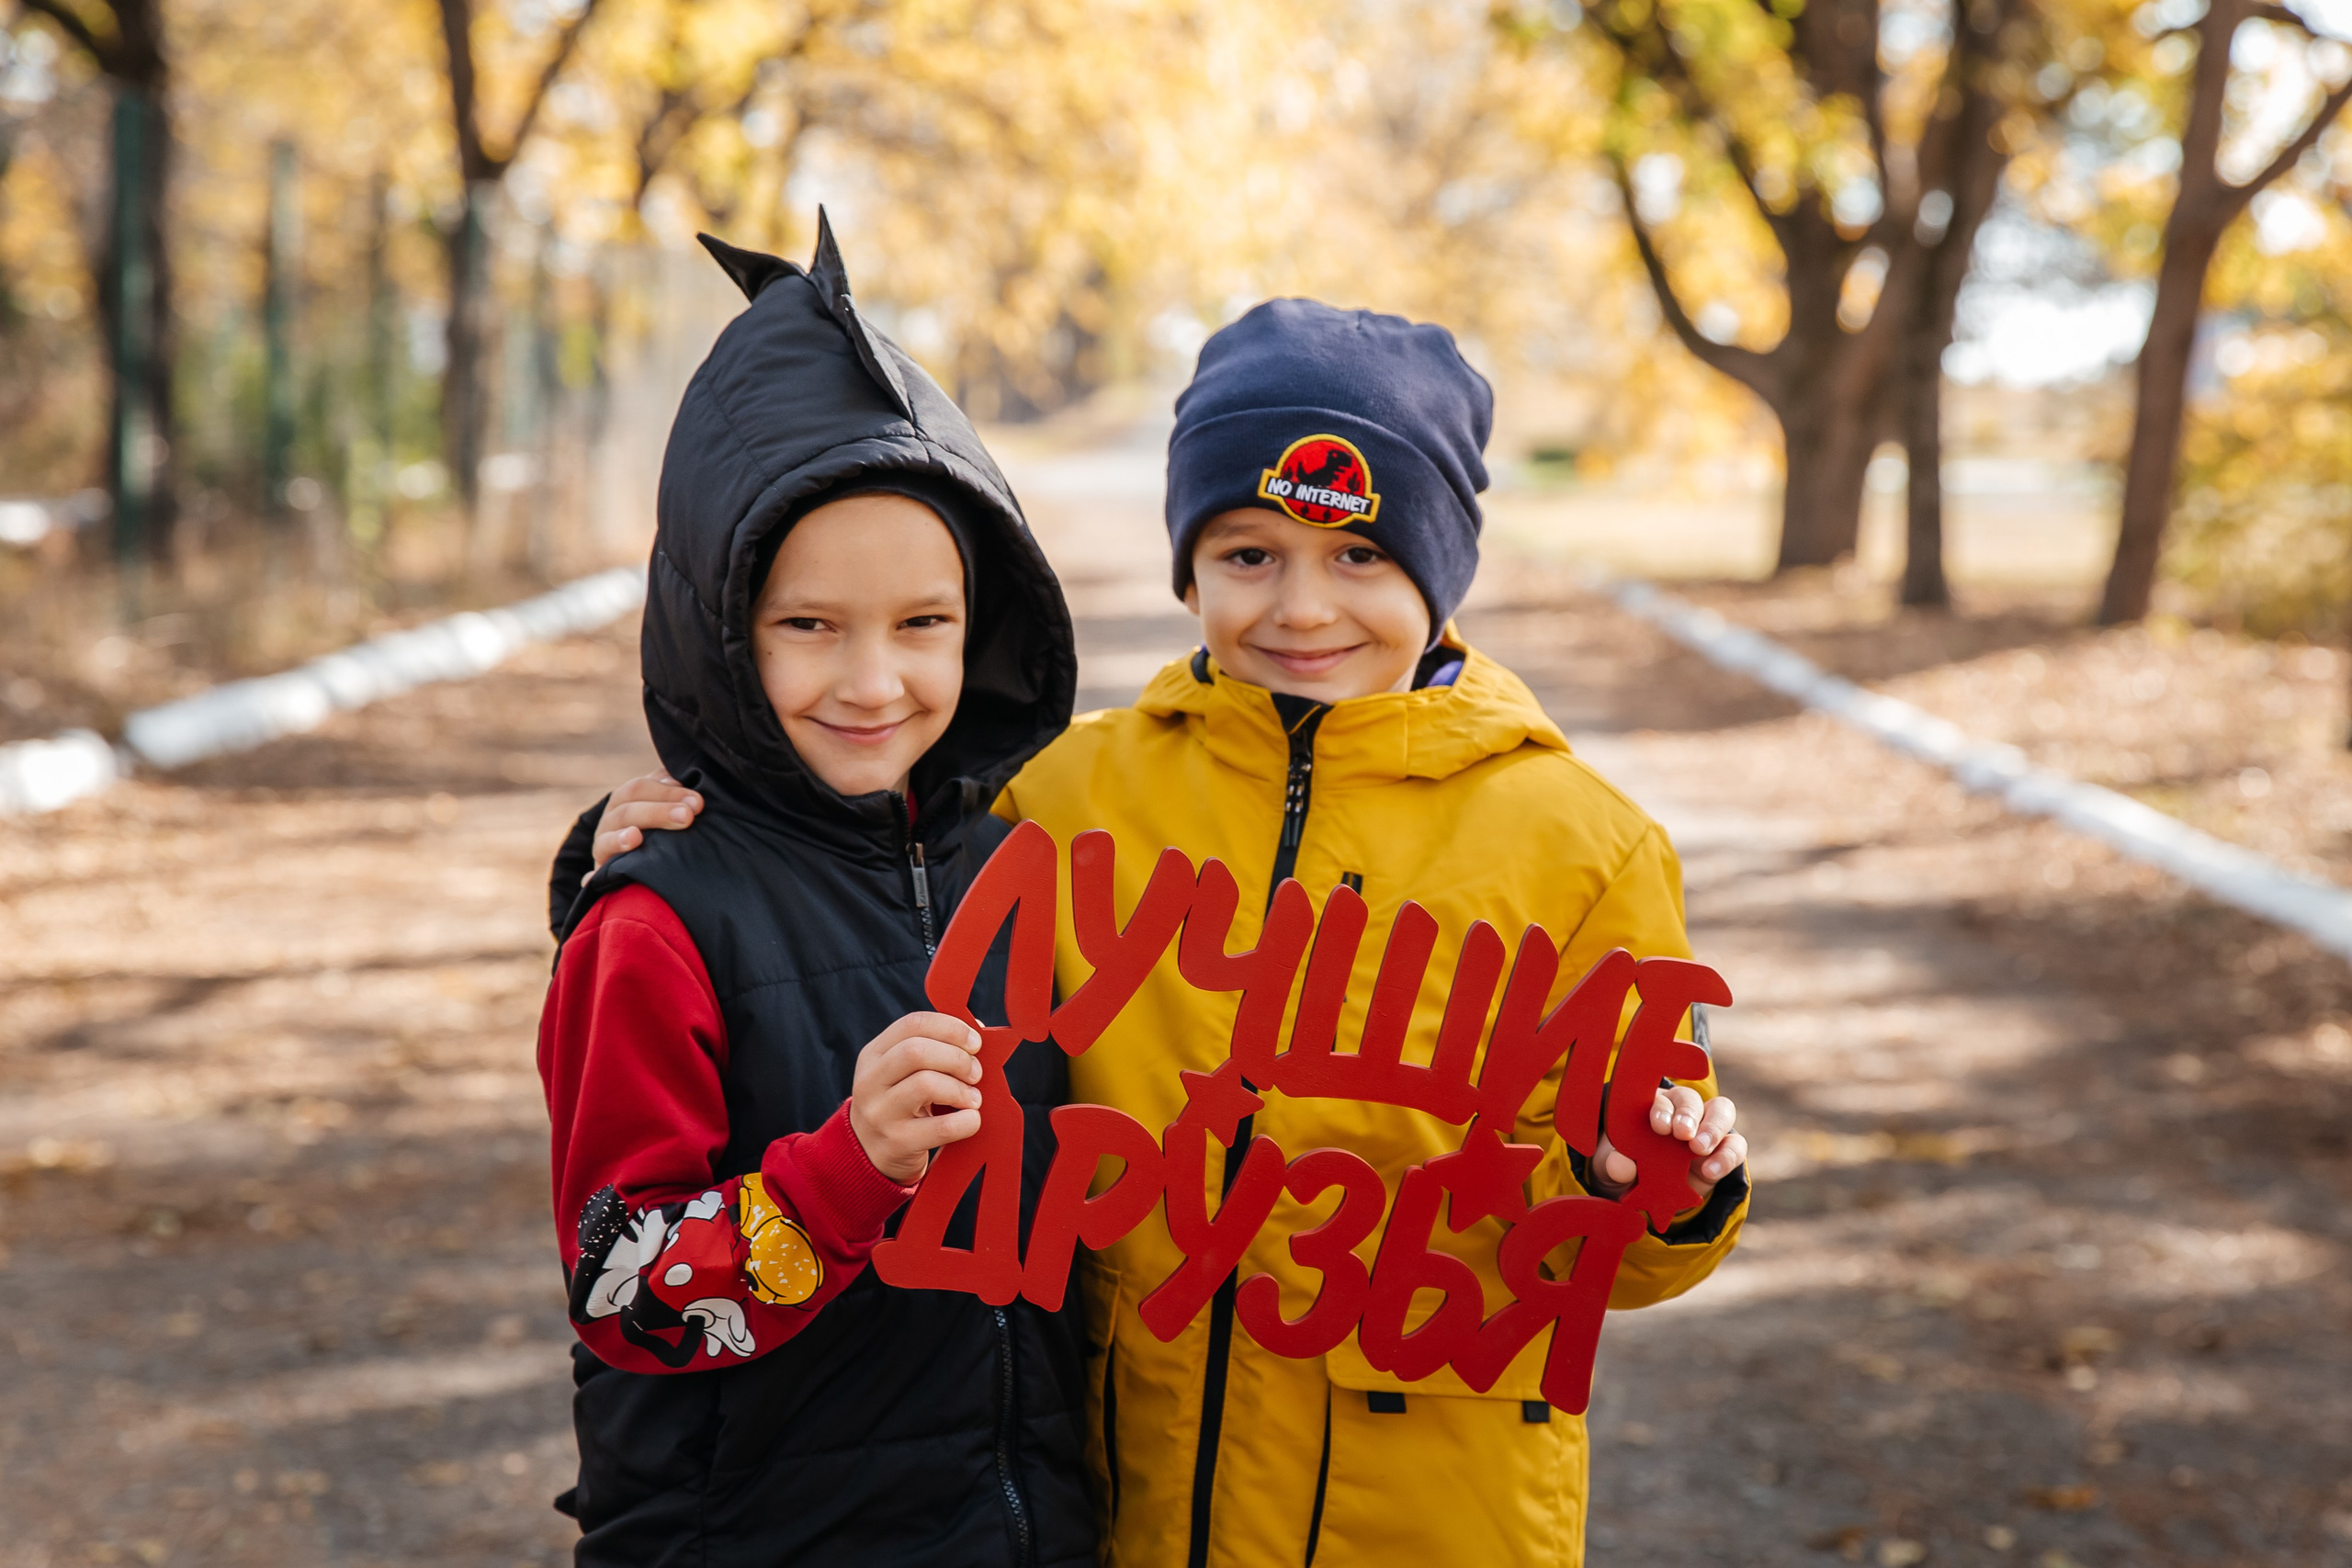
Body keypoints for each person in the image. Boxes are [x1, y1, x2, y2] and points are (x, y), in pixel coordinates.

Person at [572, 299, 1751, 1568]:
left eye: (1360, 556)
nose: (1303, 608)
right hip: (1131, 1503)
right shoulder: (1071, 799)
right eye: (1248, 555)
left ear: (1443, 565)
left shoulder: (1587, 849)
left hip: (1433, 1516)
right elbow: (870, 860)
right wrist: (660, 839)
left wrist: (1656, 1190)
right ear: (1187, 566)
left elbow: (1621, 1249)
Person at [537, 216, 1093, 1568]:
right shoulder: (656, 929)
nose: (872, 682)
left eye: (923, 625)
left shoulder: (1022, 863)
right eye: (808, 626)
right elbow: (628, 1292)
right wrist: (847, 1173)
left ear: (988, 622)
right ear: (719, 628)